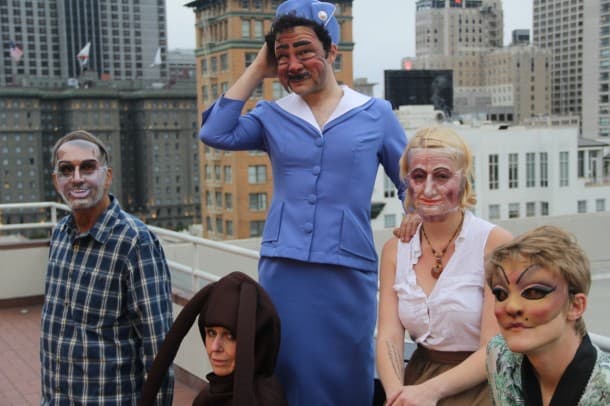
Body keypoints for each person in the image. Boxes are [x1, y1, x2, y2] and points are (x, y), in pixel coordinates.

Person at [198, 1, 411, 404]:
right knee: (284, 366)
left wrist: (414, 219)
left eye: (305, 51)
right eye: (283, 56)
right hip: (285, 268)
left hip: (348, 270)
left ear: (332, 52)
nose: (293, 64)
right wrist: (260, 66)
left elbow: (409, 182)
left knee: (348, 367)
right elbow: (214, 132)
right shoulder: (272, 115)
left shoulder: (375, 113)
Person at [376, 126, 513, 405]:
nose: (428, 188)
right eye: (418, 176)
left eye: (441, 176)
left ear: (464, 181)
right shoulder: (395, 250)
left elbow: (493, 347)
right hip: (417, 380)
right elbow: (389, 336)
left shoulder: (494, 244)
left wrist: (430, 392)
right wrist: (395, 394)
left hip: (483, 385)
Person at [41, 130, 174, 405]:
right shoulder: (60, 236)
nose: (77, 178)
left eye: (87, 167)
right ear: (57, 181)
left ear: (108, 176)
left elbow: (158, 349)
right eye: (67, 170)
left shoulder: (135, 242)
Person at [485, 225, 610, 405]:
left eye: (533, 292)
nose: (511, 307)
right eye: (501, 294)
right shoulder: (499, 356)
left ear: (575, 305)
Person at [140, 271, 287, 405]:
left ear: (255, 340)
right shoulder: (210, 395)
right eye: (211, 333)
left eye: (230, 336)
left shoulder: (266, 401)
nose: (214, 347)